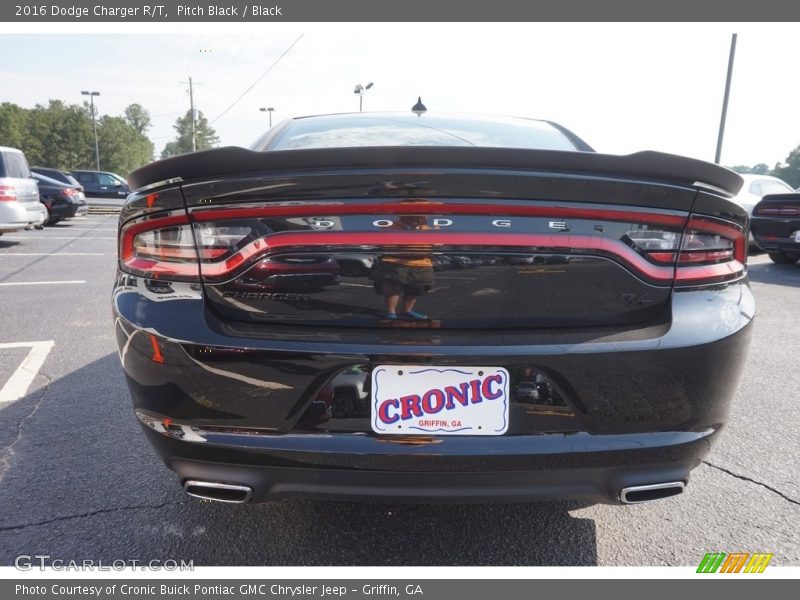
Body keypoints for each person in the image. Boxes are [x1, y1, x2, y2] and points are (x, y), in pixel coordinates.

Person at [371, 215, 435, 320]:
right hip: (395, 262)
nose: (414, 219)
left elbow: (434, 245)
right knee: (393, 289)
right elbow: (385, 245)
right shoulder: (391, 227)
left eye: (419, 217)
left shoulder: (428, 229)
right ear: (402, 216)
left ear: (424, 218)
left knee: (415, 289)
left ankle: (407, 311)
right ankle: (391, 313)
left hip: (422, 263)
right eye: (410, 216)